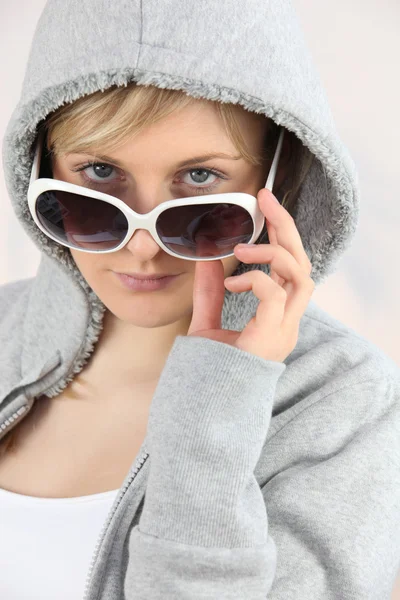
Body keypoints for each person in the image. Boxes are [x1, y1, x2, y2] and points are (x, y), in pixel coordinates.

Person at [0, 0, 399, 598]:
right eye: (100, 175)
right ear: (39, 165)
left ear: (279, 180)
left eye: (201, 181)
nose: (140, 247)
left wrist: (218, 401)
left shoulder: (343, 401)